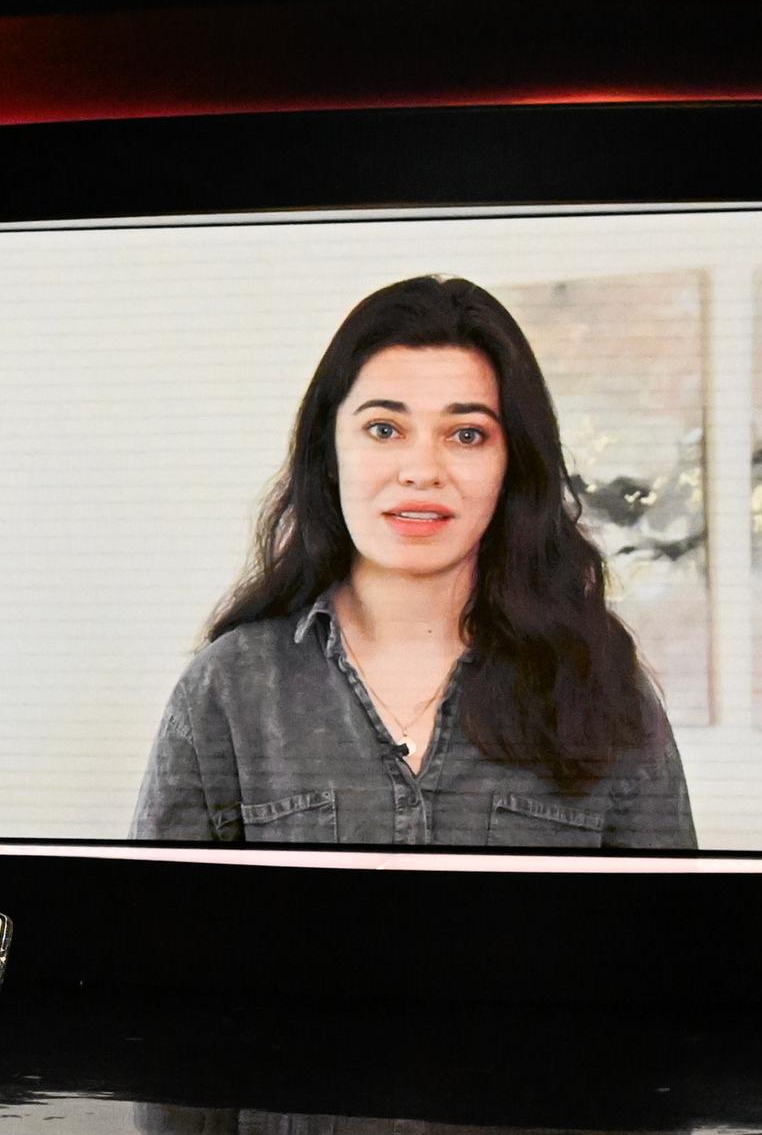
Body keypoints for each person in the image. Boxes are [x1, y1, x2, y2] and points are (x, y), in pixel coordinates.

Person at [135, 275, 696, 849]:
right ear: (328, 453)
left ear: (513, 465)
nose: (422, 471)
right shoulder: (228, 690)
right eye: (384, 429)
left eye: (467, 435)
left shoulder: (602, 687)